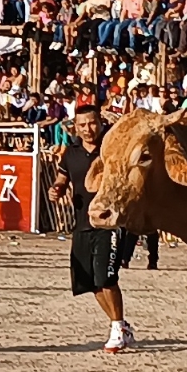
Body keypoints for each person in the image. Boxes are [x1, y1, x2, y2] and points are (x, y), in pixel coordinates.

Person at [51, 105, 136, 353]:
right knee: (90, 283)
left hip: (109, 222)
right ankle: (120, 325)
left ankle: (118, 329)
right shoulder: (71, 153)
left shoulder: (112, 148)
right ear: (75, 128)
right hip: (82, 224)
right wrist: (56, 189)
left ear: (100, 122)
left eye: (92, 123)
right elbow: (62, 178)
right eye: (82, 125)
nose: (88, 129)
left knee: (107, 277)